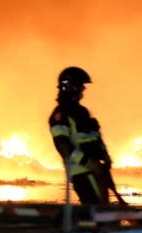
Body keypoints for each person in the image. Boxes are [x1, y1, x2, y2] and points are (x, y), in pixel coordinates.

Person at [49, 67, 125, 205]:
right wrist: (87, 162)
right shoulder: (60, 115)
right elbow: (62, 145)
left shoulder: (82, 112)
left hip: (97, 169)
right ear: (70, 87)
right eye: (80, 86)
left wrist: (104, 155)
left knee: (103, 209)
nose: (83, 90)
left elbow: (94, 136)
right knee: (96, 209)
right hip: (81, 172)